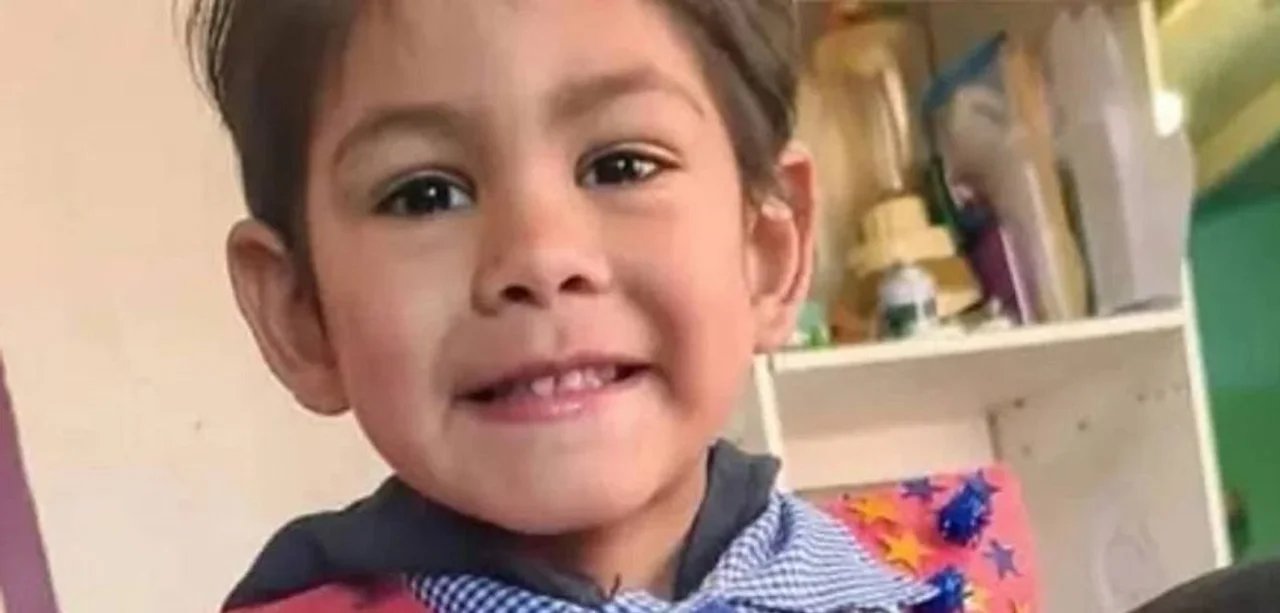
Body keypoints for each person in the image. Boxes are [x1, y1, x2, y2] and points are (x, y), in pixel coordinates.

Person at [188, 1, 934, 611]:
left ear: (766, 252)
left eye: (622, 165)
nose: (540, 257)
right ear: (299, 312)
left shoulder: (894, 588)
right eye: (424, 195)